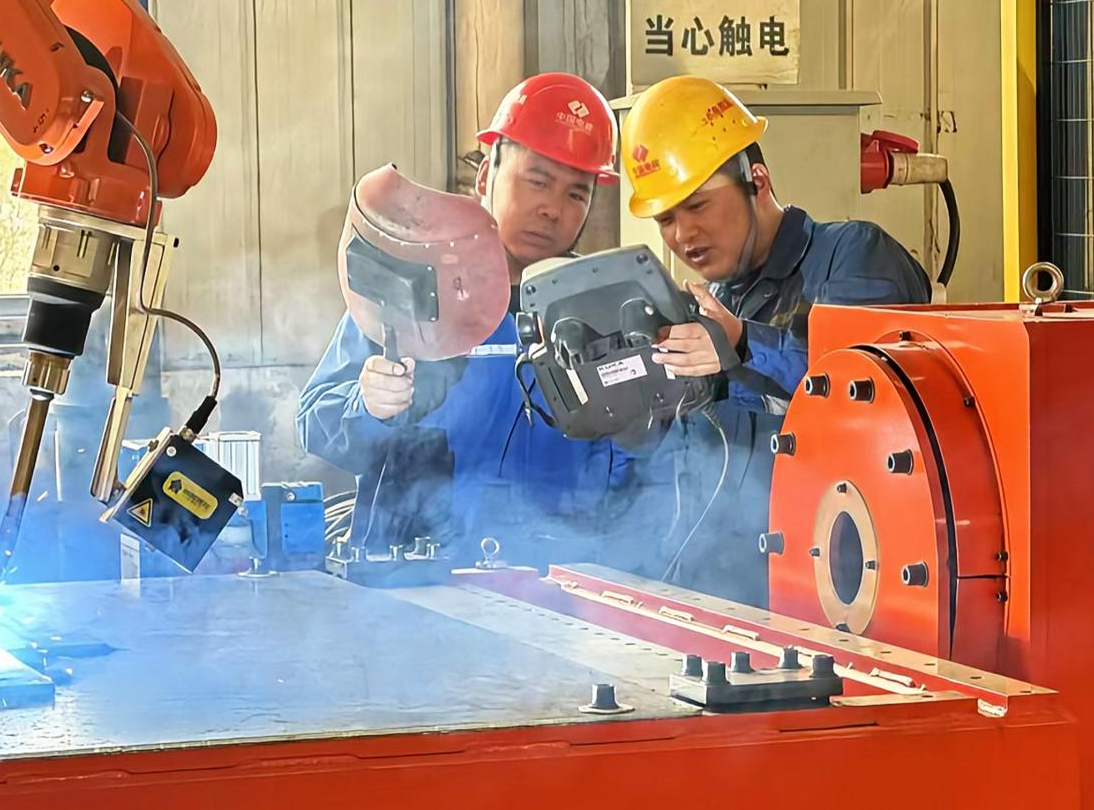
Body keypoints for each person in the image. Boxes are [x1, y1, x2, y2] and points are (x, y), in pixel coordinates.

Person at [298, 72, 650, 567]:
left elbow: (640, 466)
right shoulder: (414, 284)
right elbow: (316, 422)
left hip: (556, 586)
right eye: (537, 181)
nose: (552, 209)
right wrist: (369, 405)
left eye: (576, 194)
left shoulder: (603, 310)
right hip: (414, 580)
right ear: (486, 177)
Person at [622, 75, 932, 607]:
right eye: (666, 219)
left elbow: (867, 400)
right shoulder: (716, 306)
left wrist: (742, 345)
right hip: (730, 598)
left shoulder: (855, 256)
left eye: (698, 205)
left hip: (842, 594)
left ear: (758, 181)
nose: (683, 235)